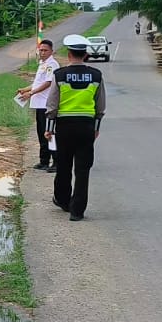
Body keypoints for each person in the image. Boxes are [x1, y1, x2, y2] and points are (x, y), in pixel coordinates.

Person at [45, 34, 106, 221]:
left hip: (64, 127)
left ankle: (63, 200)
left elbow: (52, 105)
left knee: (63, 165)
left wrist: (49, 128)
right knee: (83, 169)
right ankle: (77, 211)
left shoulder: (60, 75)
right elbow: (100, 106)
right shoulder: (96, 76)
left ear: (69, 54)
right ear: (86, 55)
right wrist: (96, 128)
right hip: (87, 127)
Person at [16, 39, 61, 172]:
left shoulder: (52, 65)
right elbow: (37, 83)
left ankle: (56, 162)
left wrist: (31, 93)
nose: (42, 52)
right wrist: (26, 89)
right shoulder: (42, 64)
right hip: (39, 104)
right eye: (40, 50)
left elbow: (47, 83)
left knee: (50, 133)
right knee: (41, 134)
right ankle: (44, 161)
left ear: (51, 51)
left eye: (45, 50)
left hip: (47, 104)